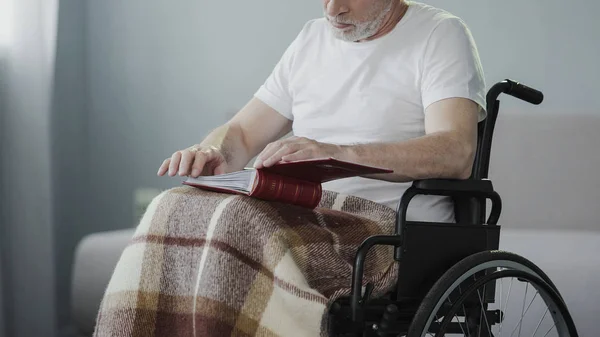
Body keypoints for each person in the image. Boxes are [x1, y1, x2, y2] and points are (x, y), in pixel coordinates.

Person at [157, 0, 486, 223]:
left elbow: (455, 152)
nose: (333, 9)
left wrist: (336, 154)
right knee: (173, 209)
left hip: (386, 228)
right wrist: (214, 151)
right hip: (302, 214)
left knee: (239, 230)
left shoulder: (440, 34)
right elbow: (242, 133)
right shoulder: (311, 38)